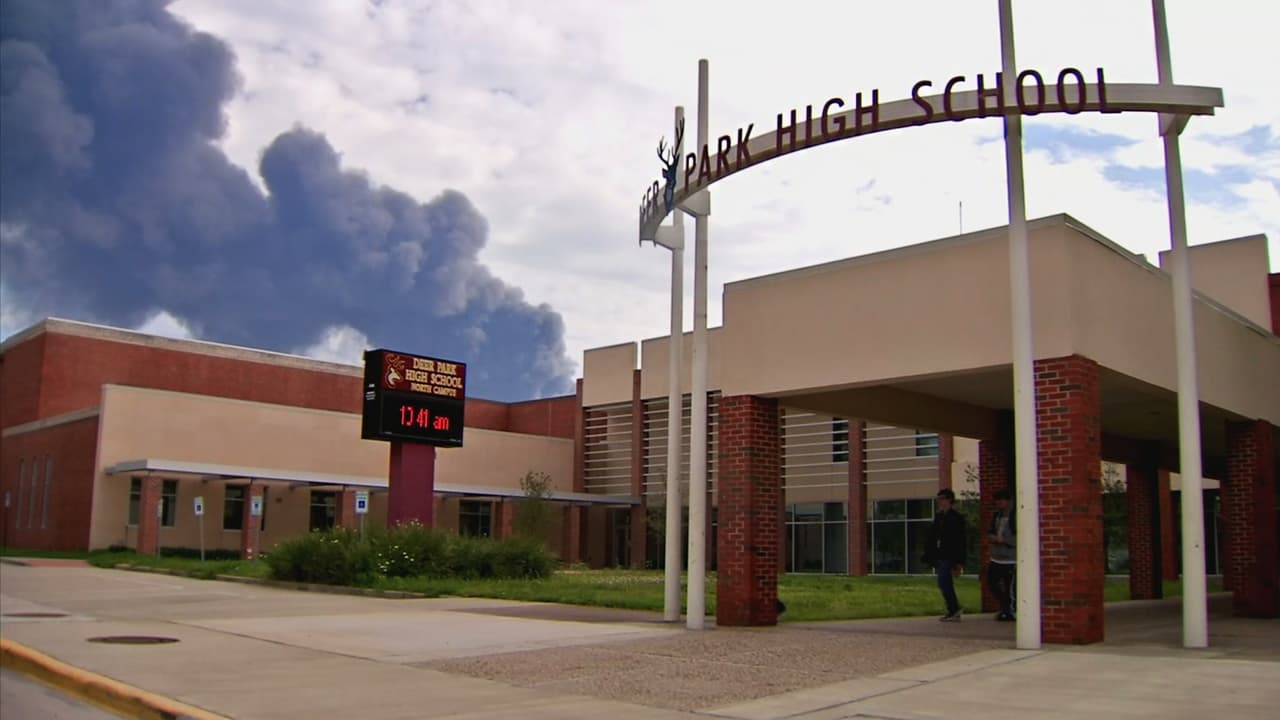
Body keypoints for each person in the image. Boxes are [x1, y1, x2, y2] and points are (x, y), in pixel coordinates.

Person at [923, 487, 967, 621]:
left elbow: (960, 540)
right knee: (944, 582)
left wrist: (959, 562)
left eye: (942, 499)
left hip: (950, 555)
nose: (939, 502)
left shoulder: (956, 518)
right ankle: (953, 609)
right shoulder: (939, 517)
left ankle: (954, 609)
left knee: (943, 582)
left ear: (949, 500)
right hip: (940, 554)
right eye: (938, 499)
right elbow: (933, 536)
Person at [987, 488, 1016, 622]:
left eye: (1001, 501)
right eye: (997, 501)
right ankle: (1005, 606)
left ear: (1008, 501)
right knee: (991, 582)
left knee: (1009, 585)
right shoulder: (996, 516)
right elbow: (990, 531)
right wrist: (992, 538)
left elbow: (1020, 537)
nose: (999, 504)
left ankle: (1009, 610)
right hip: (996, 557)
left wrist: (1005, 540)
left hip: (1010, 559)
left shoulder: (1015, 516)